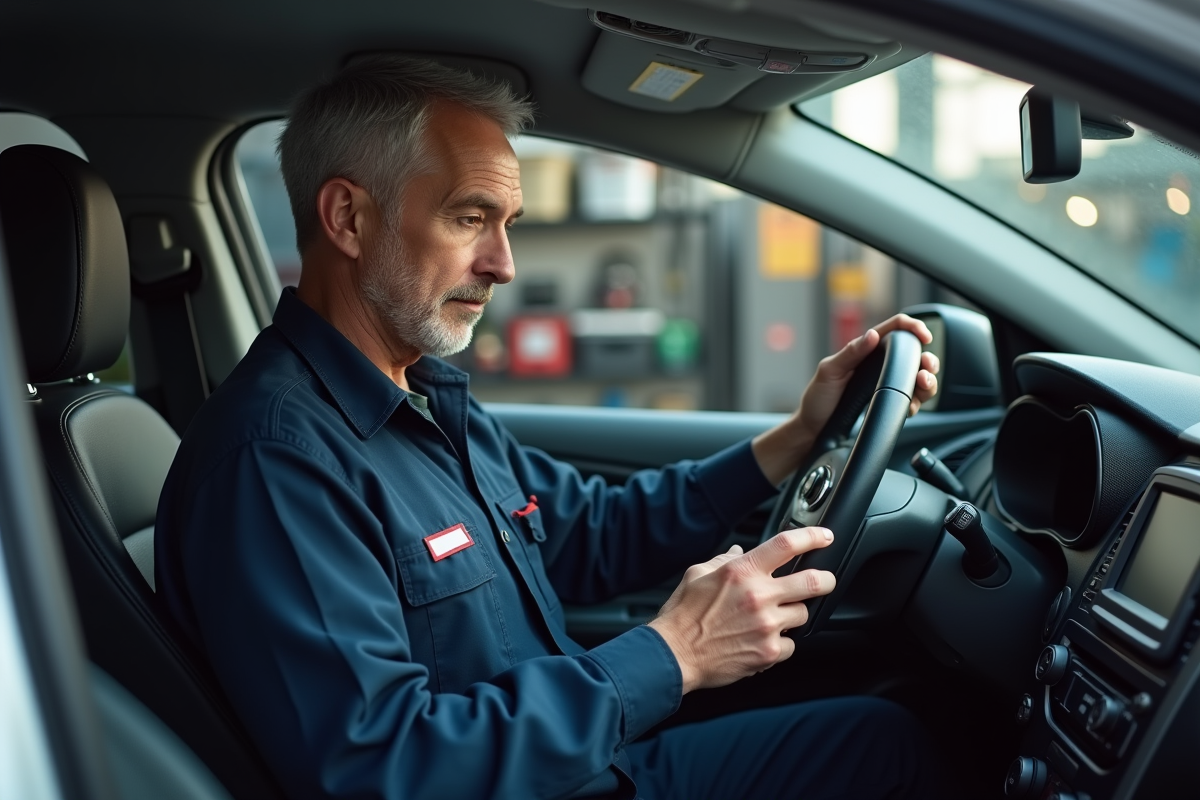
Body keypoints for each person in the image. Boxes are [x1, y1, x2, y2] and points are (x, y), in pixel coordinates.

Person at [156, 55, 943, 800]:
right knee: (891, 749)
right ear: (348, 218)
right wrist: (675, 654)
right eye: (470, 218)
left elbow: (585, 535)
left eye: (508, 223)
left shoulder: (423, 394)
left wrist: (798, 439)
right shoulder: (275, 459)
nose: (503, 263)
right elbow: (382, 767)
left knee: (884, 729)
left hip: (586, 759)